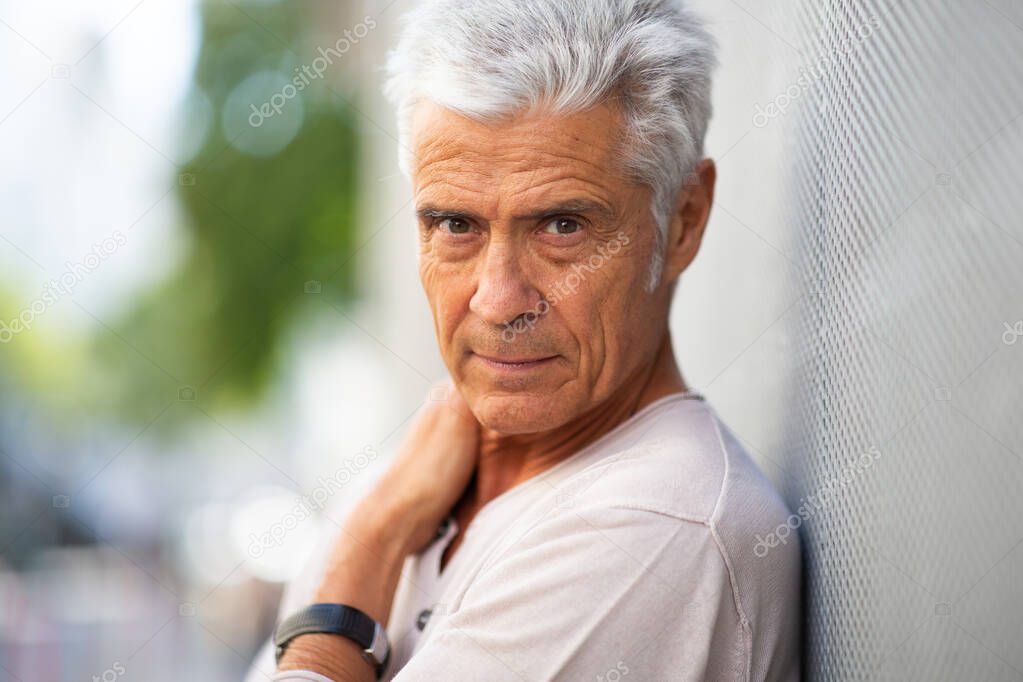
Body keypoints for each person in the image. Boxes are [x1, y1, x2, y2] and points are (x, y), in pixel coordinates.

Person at [247, 0, 800, 679]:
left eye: (562, 227)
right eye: (455, 224)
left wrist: (374, 537)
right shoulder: (424, 471)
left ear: (682, 220)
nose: (498, 299)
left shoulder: (655, 525)